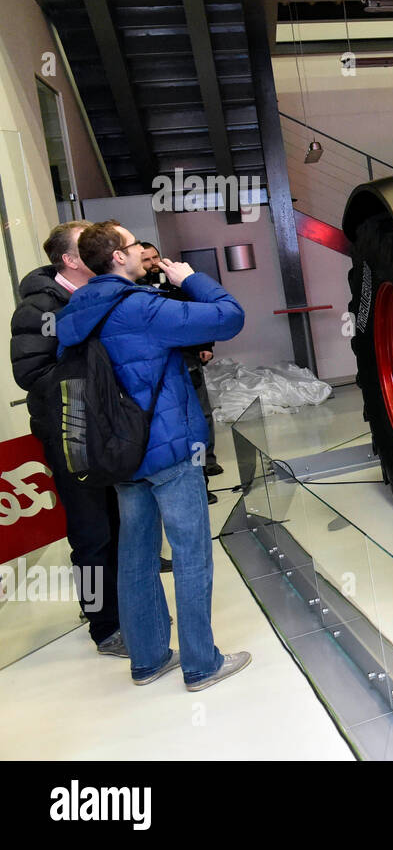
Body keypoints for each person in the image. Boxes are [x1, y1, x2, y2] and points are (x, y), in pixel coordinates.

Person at [56, 220, 251, 690]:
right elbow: (230, 316)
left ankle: (147, 659)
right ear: (116, 257)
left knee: (136, 557)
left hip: (119, 454)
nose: (142, 250)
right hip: (166, 450)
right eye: (131, 244)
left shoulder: (77, 309)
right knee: (190, 554)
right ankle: (202, 664)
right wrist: (190, 279)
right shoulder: (140, 307)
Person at [8, 221, 125, 657]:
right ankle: (104, 626)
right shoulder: (39, 308)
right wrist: (91, 371)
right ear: (71, 261)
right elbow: (31, 374)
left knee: (118, 523)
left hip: (110, 430)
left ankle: (122, 607)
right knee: (90, 535)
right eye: (89, 244)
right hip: (71, 434)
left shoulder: (102, 294)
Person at [137, 241, 222, 502]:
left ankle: (206, 462)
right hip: (155, 365)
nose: (152, 263)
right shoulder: (134, 292)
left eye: (155, 257)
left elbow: (198, 314)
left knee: (200, 414)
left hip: (187, 357)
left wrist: (205, 345)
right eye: (146, 259)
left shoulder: (177, 285)